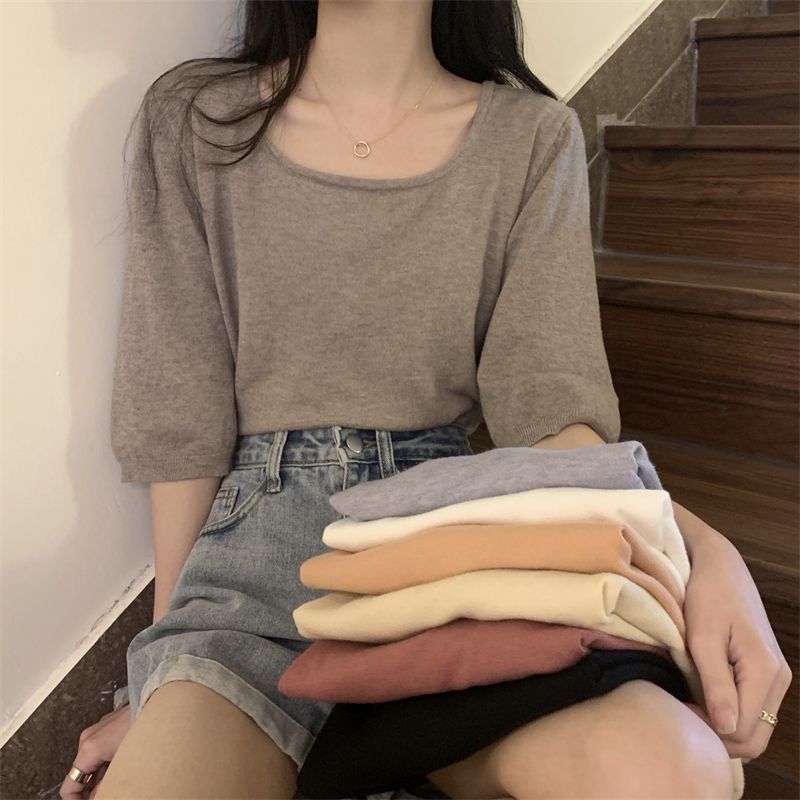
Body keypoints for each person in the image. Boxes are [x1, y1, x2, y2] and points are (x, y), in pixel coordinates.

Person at [62, 1, 792, 798]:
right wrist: (158, 674)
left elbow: (554, 425)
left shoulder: (530, 139)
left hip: (449, 571)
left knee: (673, 767)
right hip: (248, 590)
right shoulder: (197, 123)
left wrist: (708, 554)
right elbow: (181, 417)